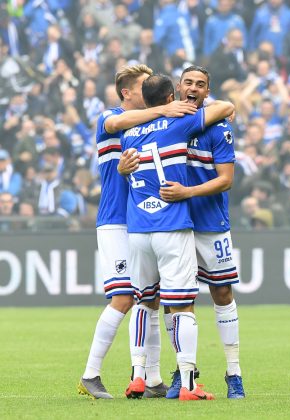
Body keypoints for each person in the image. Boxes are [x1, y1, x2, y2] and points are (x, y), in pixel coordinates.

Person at [78, 64, 198, 400]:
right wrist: (164, 109)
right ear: (127, 92)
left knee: (151, 299)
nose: (148, 92)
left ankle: (154, 379)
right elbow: (113, 125)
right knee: (123, 298)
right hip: (115, 220)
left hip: (142, 222)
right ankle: (90, 374)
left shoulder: (149, 125)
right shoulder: (111, 117)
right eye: (143, 86)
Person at [121, 74, 234, 401]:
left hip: (138, 229)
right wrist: (224, 106)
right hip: (171, 225)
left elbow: (127, 170)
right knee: (182, 305)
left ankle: (138, 376)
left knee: (143, 302)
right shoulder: (179, 123)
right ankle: (188, 384)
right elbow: (223, 108)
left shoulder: (129, 133)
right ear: (172, 97)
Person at [151, 65, 245, 399]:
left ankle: (234, 372)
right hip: (175, 224)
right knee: (177, 300)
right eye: (188, 82)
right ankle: (184, 370)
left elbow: (226, 180)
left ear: (207, 92)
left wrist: (187, 193)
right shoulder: (164, 123)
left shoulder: (218, 129)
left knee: (222, 294)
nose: (193, 88)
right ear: (178, 88)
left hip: (210, 223)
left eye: (200, 84)